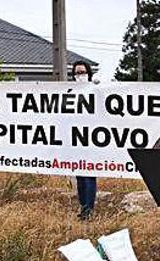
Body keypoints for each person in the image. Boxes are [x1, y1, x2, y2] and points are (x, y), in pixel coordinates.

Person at [72, 60, 97, 220]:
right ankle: (83, 207)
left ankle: (89, 209)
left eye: (82, 72)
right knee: (80, 176)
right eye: (77, 73)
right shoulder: (71, 92)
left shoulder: (95, 90)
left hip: (91, 141)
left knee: (89, 176)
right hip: (76, 141)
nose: (80, 75)